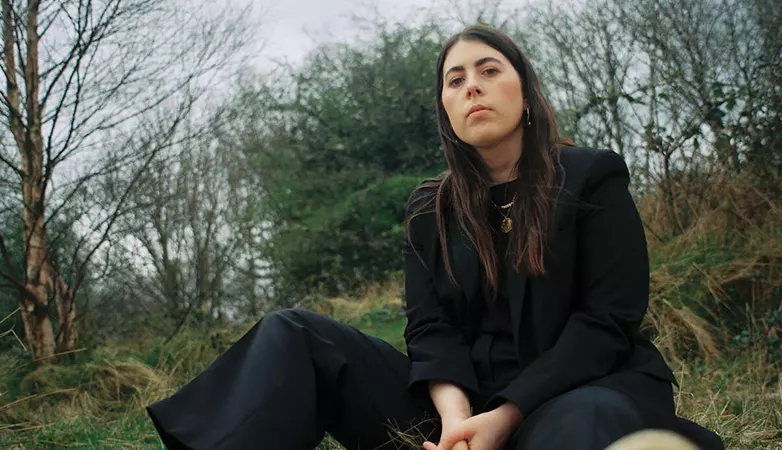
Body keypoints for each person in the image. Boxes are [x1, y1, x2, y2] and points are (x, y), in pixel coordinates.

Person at [146, 24, 725, 450]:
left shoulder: (591, 177)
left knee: (582, 427)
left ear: (524, 90)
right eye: (456, 79)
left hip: (574, 395)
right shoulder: (430, 209)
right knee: (294, 332)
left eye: (489, 70)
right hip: (456, 416)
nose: (472, 86)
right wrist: (455, 420)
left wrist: (504, 417)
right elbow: (429, 328)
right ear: (445, 109)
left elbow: (608, 320)